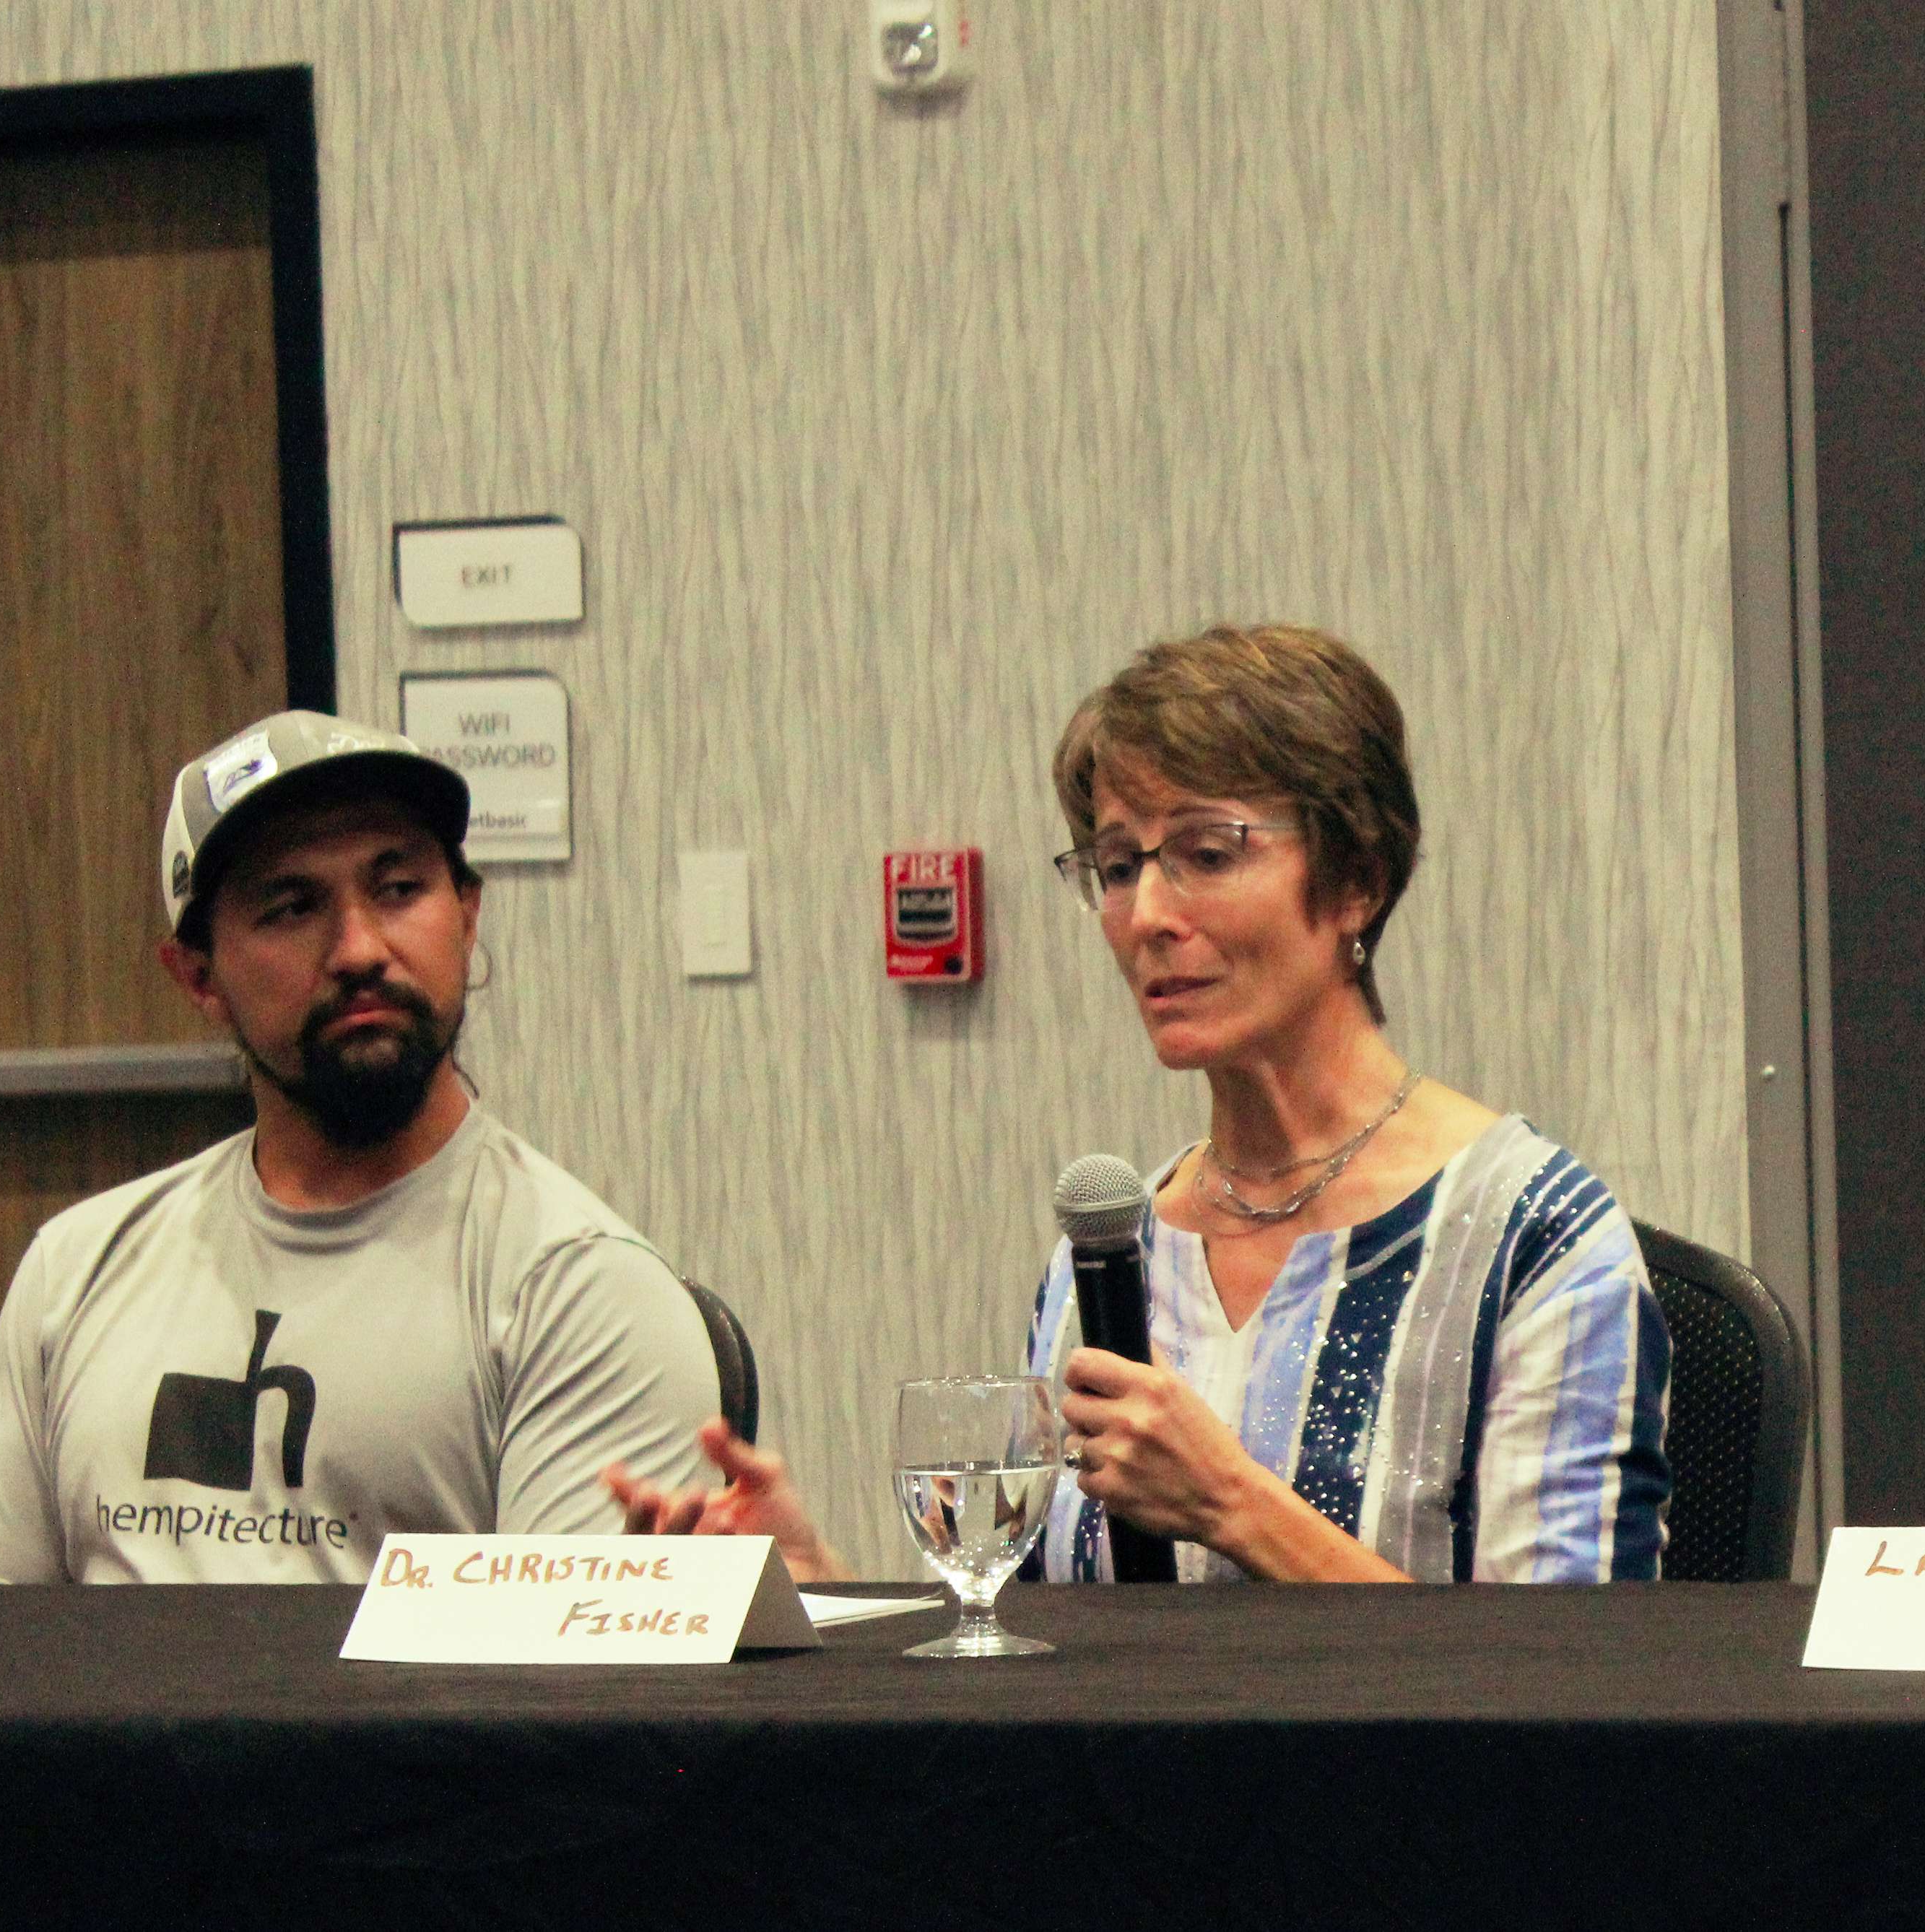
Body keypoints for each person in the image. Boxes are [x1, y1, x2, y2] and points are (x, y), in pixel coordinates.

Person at [612, 624, 1671, 1583]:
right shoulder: (1115, 1244)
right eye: (1119, 867)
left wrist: (1235, 1508)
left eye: (1207, 854)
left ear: (1357, 878)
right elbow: (1063, 1657)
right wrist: (818, 1582)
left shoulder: (1534, 1237)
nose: (1148, 914)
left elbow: (1568, 1697)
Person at [0, 713, 723, 1583]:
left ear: (466, 915)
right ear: (199, 978)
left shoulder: (580, 1290)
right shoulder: (76, 1267)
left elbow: (558, 1706)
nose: (357, 949)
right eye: (292, 906)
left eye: (398, 889)